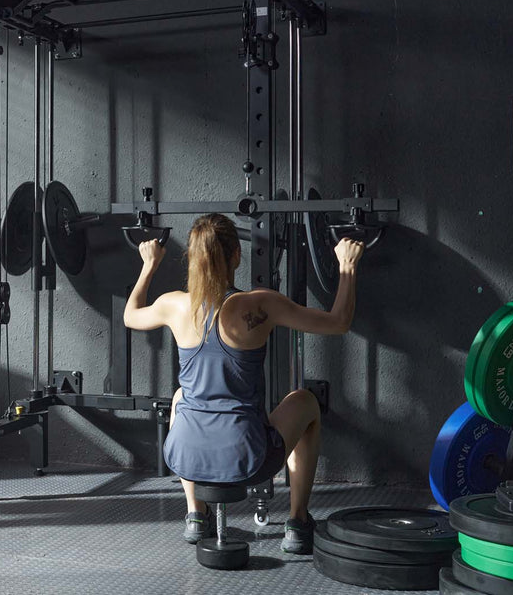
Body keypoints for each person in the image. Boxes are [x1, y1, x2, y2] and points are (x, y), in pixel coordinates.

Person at [123, 213, 362, 554]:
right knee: (305, 401)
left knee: (180, 397)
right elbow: (339, 322)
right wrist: (347, 266)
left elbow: (130, 315)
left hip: (184, 458)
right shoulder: (259, 304)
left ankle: (195, 514)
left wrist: (149, 264)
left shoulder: (173, 305)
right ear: (237, 255)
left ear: (192, 258)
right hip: (251, 459)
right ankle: (296, 522)